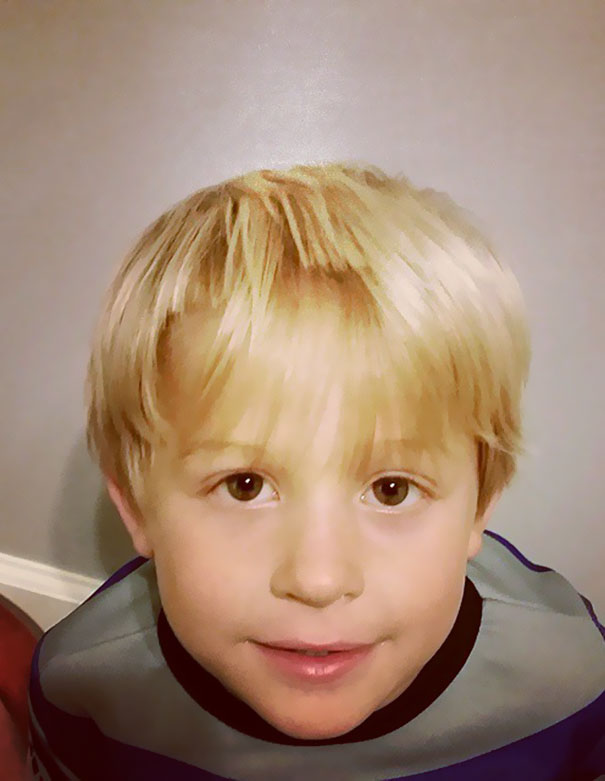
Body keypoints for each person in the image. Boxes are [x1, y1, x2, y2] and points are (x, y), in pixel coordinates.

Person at [28, 163, 604, 780]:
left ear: (481, 503)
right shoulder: (86, 687)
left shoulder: (569, 675)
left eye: (392, 489)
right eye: (244, 485)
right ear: (138, 507)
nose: (319, 579)